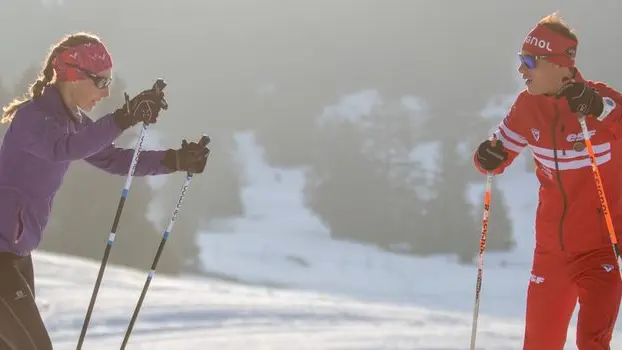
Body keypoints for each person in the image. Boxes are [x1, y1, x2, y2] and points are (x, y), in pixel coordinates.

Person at [0, 32, 210, 349]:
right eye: (100, 81)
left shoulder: (74, 122)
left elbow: (112, 158)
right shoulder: (34, 118)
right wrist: (124, 117)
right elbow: (64, 148)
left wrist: (175, 159)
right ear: (72, 75)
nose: (106, 91)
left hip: (15, 254)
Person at [474, 12, 622, 350]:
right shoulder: (528, 107)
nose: (521, 69)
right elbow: (496, 155)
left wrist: (600, 108)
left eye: (529, 61)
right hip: (551, 254)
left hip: (600, 251)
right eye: (519, 60)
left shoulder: (600, 100)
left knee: (592, 343)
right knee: (539, 344)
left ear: (560, 65)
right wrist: (486, 157)